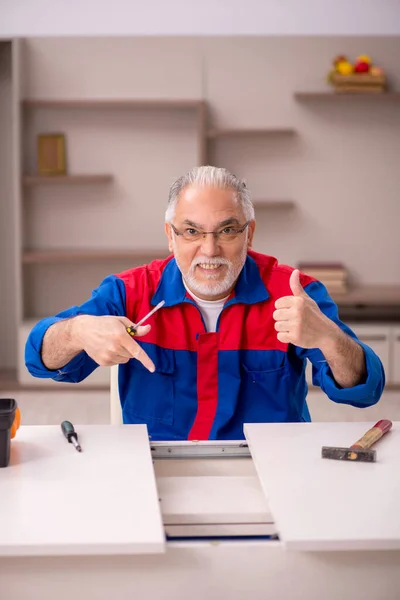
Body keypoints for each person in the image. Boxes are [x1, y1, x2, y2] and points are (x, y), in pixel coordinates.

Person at [25, 166, 385, 440]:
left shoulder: (295, 293)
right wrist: (78, 331)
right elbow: (39, 357)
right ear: (170, 235)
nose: (210, 250)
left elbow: (363, 391)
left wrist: (329, 339)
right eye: (192, 231)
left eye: (227, 230)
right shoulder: (129, 292)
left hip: (272, 469)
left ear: (250, 233)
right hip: (158, 469)